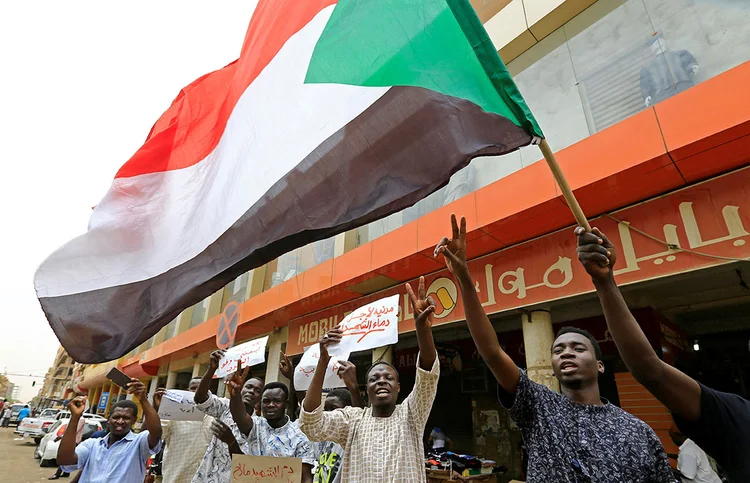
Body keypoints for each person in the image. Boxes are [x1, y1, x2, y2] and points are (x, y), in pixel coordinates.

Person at [435, 215, 674, 482]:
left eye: (578, 348)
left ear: (600, 364)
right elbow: (492, 352)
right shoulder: (539, 407)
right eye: (558, 350)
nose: (567, 353)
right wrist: (464, 278)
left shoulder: (637, 431)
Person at [575, 225, 750, 481]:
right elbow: (650, 370)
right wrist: (604, 282)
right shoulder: (740, 417)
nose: (567, 355)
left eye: (578, 347)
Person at [299, 277, 440, 482]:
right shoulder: (352, 421)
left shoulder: (412, 415)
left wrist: (423, 329)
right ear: (368, 388)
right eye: (374, 378)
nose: (381, 381)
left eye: (388, 377)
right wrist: (323, 362)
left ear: (398, 387)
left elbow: (427, 376)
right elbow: (311, 423)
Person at [57, 379, 162, 483]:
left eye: (126, 418)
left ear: (134, 420)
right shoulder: (92, 445)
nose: (120, 421)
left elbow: (156, 432)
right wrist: (75, 417)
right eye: (116, 417)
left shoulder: (138, 444)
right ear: (108, 419)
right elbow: (65, 460)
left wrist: (143, 399)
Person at [225, 366, 315, 483]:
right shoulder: (255, 425)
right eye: (266, 401)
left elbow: (305, 477)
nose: (271, 405)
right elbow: (239, 416)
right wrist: (235, 394)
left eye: (277, 401)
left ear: (286, 405)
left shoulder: (299, 435)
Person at [193, 350, 264, 483]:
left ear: (260, 398)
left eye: (257, 390)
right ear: (241, 388)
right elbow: (200, 399)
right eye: (248, 387)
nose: (251, 391)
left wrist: (231, 441)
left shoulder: (259, 425)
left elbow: (249, 463)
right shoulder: (225, 406)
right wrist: (211, 369)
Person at [152, 377, 213, 483]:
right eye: (193, 388)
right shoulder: (173, 414)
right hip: (176, 478)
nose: (196, 391)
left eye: (201, 388)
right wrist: (158, 409)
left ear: (209, 391)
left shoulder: (216, 414)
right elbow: (157, 436)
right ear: (188, 391)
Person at [50, 413, 86, 479]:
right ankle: (66, 473)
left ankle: (57, 474)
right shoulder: (73, 418)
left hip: (74, 441)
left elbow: (74, 431)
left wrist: (61, 436)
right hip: (71, 440)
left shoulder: (81, 419)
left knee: (66, 456)